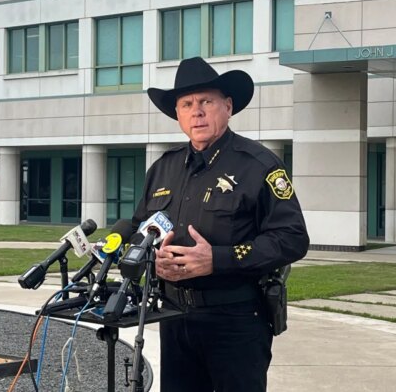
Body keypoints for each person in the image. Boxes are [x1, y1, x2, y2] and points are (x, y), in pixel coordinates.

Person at [133, 57, 310, 392]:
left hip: (236, 319)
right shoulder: (163, 168)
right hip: (173, 318)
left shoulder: (259, 165)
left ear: (227, 107)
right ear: (178, 115)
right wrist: (151, 262)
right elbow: (141, 226)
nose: (196, 111)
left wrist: (218, 258)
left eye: (206, 102)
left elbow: (292, 238)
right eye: (186, 104)